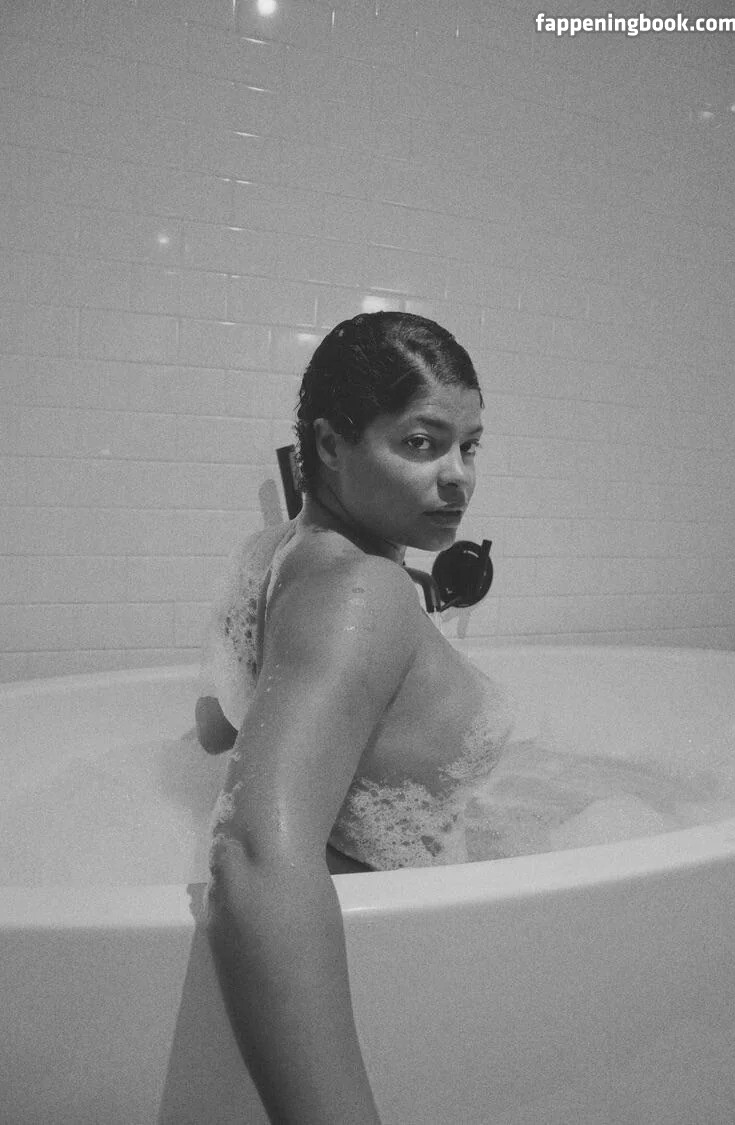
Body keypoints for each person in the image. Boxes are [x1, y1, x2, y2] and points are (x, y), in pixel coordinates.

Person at [195, 311, 505, 1124]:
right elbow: (252, 858)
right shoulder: (365, 592)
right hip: (410, 954)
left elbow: (218, 722)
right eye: (422, 443)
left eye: (470, 446)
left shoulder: (270, 555)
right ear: (331, 445)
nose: (458, 477)